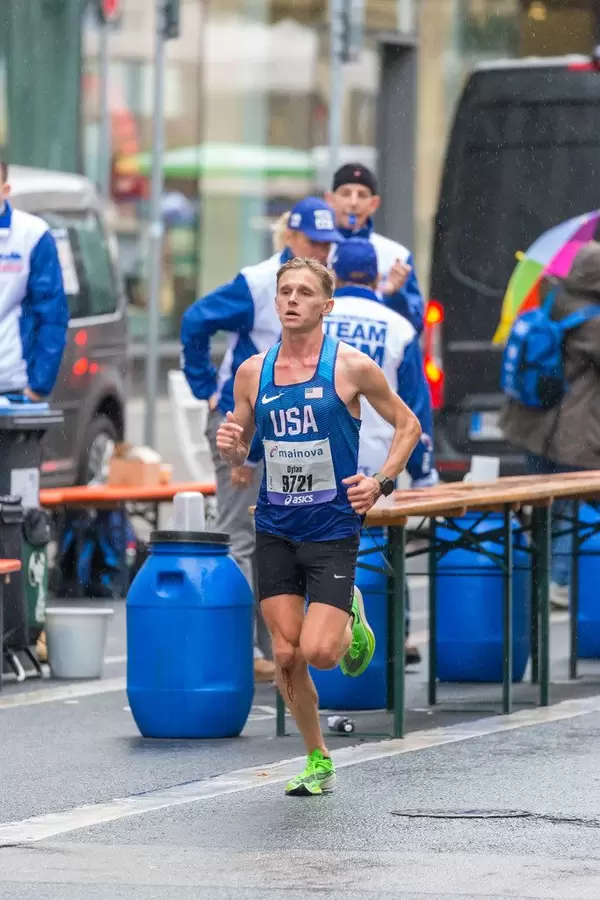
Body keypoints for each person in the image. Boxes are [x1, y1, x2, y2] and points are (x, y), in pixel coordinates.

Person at [216, 257, 421, 796]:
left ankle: (350, 612)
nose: (291, 300)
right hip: (276, 525)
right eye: (285, 291)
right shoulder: (252, 371)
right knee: (285, 653)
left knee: (321, 654)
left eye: (304, 292)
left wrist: (380, 481)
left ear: (325, 306)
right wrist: (233, 445)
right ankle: (317, 756)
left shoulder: (350, 367)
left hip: (332, 527)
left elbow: (408, 424)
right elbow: (243, 441)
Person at [181, 197, 343, 682]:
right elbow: (194, 322)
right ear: (289, 236)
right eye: (313, 240)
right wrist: (205, 389)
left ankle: (294, 639)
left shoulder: (324, 285)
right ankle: (247, 649)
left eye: (328, 243)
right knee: (241, 536)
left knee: (295, 529)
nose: (322, 249)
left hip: (300, 426)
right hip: (248, 423)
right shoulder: (257, 282)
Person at [329, 237, 438, 663]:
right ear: (376, 276)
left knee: (318, 549)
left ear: (333, 276)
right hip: (378, 462)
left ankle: (321, 637)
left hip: (320, 458)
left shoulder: (318, 324)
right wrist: (424, 470)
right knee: (385, 549)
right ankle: (399, 635)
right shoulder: (398, 327)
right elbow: (415, 406)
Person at [501, 242, 600, 609]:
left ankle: (535, 577)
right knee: (573, 508)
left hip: (534, 425)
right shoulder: (594, 321)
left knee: (544, 505)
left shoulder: (555, 299)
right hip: (575, 433)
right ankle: (558, 580)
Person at [325, 162, 425, 334]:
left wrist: (395, 295)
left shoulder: (396, 255)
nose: (353, 202)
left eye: (362, 195)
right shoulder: (316, 248)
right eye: (346, 193)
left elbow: (414, 325)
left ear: (374, 203)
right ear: (330, 199)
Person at [0, 159, 68, 400]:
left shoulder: (32, 235)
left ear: (5, 190)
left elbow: (52, 314)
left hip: (11, 386)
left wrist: (38, 386)